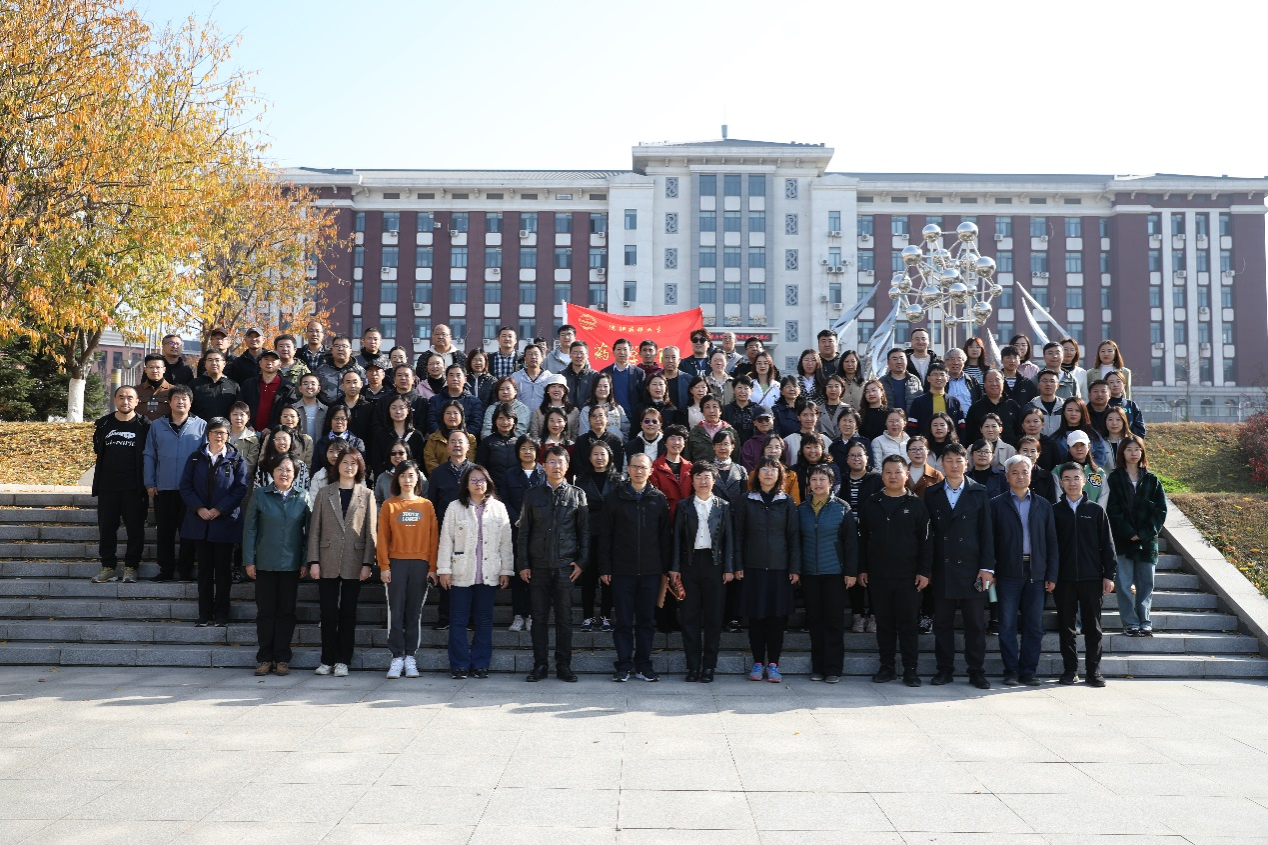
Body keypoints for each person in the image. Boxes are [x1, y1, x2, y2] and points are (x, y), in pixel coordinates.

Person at [924, 444, 995, 689]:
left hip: (972, 568)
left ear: (966, 463)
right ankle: (944, 669)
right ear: (942, 463)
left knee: (975, 624)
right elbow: (928, 535)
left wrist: (987, 567)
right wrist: (927, 568)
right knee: (942, 623)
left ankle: (976, 671)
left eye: (958, 460)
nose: (954, 465)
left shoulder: (979, 491)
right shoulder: (932, 493)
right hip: (942, 567)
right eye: (949, 460)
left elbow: (987, 532)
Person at [857, 454, 931, 687]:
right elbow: (862, 539)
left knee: (908, 625)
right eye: (888, 472)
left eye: (897, 472)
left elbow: (926, 541)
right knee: (884, 624)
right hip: (878, 575)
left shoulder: (916, 505)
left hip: (908, 577)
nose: (892, 476)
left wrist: (924, 571)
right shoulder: (872, 503)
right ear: (882, 476)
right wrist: (862, 569)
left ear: (906, 475)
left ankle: (910, 669)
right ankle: (886, 667)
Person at [518, 445, 590, 682]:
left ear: (567, 466)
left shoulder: (577, 494)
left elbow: (584, 533)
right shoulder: (532, 494)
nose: (556, 466)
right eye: (551, 461)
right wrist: (523, 563)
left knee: (564, 619)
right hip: (538, 566)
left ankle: (563, 666)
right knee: (539, 619)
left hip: (565, 567)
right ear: (543, 466)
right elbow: (524, 532)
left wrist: (581, 562)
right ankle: (540, 665)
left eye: (560, 462)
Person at [435, 464, 513, 679]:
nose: (478, 484)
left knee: (484, 620)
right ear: (466, 485)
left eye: (482, 480)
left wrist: (506, 569)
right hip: (460, 572)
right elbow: (446, 540)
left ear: (488, 483)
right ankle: (459, 664)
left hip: (489, 572)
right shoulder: (454, 507)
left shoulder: (499, 508)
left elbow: (506, 543)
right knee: (458, 620)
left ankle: (480, 664)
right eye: (474, 480)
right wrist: (444, 570)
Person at [307, 447, 376, 676]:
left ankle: (343, 660)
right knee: (327, 613)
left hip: (355, 560)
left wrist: (367, 563)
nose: (348, 467)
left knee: (348, 612)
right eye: (345, 462)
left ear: (359, 467)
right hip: (326, 559)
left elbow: (370, 532)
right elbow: (314, 530)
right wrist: (314, 561)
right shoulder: (324, 492)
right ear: (337, 466)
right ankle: (326, 659)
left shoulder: (367, 494)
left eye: (353, 463)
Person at [991, 454, 1059, 685]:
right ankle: (1010, 670)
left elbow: (1052, 542)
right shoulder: (996, 504)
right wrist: (992, 570)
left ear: (1031, 475)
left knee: (1034, 625)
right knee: (1007, 624)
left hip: (1036, 573)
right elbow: (990, 542)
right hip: (1008, 572)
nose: (1020, 476)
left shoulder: (1043, 505)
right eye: (1015, 472)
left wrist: (1051, 574)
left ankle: (1028, 670)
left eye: (1025, 472)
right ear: (1007, 476)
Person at [735, 457, 801, 683]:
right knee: (756, 618)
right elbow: (738, 535)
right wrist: (738, 565)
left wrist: (794, 567)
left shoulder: (787, 501)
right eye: (764, 469)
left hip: (779, 569)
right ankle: (757, 663)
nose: (768, 473)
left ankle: (773, 663)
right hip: (752, 568)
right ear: (757, 474)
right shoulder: (745, 500)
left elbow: (793, 536)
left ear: (780, 474)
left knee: (776, 619)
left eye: (773, 469)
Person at [242, 455, 309, 676]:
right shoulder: (260, 494)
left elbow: (309, 533)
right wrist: (249, 560)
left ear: (295, 474)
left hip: (291, 564)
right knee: (265, 612)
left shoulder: (303, 496)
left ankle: (282, 658)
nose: (284, 473)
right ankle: (264, 658)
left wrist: (305, 561)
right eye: (279, 469)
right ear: (272, 472)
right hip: (265, 562)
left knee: (286, 612)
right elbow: (250, 529)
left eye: (288, 470)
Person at [670, 462, 735, 682]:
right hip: (689, 564)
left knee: (713, 618)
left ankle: (708, 667)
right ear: (692, 480)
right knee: (689, 617)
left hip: (714, 564)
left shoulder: (723, 506)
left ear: (714, 480)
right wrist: (675, 568)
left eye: (707, 477)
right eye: (698, 477)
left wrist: (729, 568)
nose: (703, 481)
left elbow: (729, 539)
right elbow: (677, 539)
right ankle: (692, 667)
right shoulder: (684, 506)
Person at [180, 417, 248, 627]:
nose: (219, 436)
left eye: (223, 432)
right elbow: (186, 486)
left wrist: (219, 509)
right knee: (204, 570)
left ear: (228, 435)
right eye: (215, 432)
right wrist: (199, 508)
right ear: (207, 434)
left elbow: (240, 488)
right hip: (200, 522)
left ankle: (222, 614)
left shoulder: (236, 459)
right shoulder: (195, 458)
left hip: (225, 522)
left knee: (223, 570)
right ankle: (204, 613)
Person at [1053, 462, 1117, 687]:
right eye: (1067, 479)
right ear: (1061, 483)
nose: (1072, 483)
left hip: (1092, 577)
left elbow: (1107, 546)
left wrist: (1109, 575)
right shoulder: (1054, 511)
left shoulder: (1096, 511)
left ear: (1084, 481)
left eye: (1076, 478)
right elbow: (1050, 547)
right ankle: (1070, 670)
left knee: (1093, 627)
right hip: (1063, 579)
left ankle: (1093, 671)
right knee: (1066, 627)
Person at [378, 461, 439, 679]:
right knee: (396, 611)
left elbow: (434, 539)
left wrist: (432, 567)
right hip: (396, 563)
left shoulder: (426, 505)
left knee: (414, 612)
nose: (407, 480)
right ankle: (396, 656)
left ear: (418, 479)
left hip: (420, 564)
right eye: (403, 475)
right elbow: (382, 538)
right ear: (397, 479)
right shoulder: (389, 505)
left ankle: (410, 656)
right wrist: (384, 566)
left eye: (411, 475)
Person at [798, 465, 859, 683]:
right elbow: (796, 541)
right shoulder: (801, 509)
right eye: (814, 479)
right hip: (809, 573)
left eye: (822, 479)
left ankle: (833, 668)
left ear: (831, 483)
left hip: (835, 573)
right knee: (815, 621)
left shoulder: (842, 508)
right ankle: (817, 667)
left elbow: (851, 543)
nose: (818, 483)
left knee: (833, 621)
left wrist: (851, 571)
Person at [144, 384, 207, 582]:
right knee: (165, 531)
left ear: (190, 403)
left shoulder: (201, 425)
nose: (180, 402)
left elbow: (206, 458)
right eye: (176, 398)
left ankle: (185, 570)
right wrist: (150, 482)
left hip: (191, 490)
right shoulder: (157, 425)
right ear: (169, 402)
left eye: (184, 398)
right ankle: (166, 570)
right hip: (164, 488)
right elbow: (150, 454)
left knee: (188, 532)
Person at [1107, 436, 1167, 637]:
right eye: (1129, 449)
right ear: (1122, 452)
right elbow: (1112, 509)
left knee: (1146, 583)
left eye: (1137, 449)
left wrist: (1143, 533)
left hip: (1147, 541)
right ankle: (1130, 622)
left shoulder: (1152, 479)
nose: (1134, 453)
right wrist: (1129, 532)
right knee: (1123, 584)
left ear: (1142, 452)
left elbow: (1160, 510)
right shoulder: (1114, 478)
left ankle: (1144, 621)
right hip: (1122, 540)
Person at [91, 385, 150, 584]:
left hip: (135, 487)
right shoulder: (104, 424)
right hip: (108, 487)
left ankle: (131, 567)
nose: (126, 401)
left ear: (137, 401)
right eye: (121, 397)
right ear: (115, 400)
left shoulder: (145, 425)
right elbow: (98, 450)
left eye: (130, 398)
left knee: (135, 529)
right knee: (107, 529)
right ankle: (108, 567)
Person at [575, 440, 618, 632]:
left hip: (611, 534)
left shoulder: (618, 480)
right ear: (589, 457)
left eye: (603, 454)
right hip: (589, 533)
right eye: (595, 454)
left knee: (608, 577)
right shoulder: (581, 481)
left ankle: (606, 616)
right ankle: (588, 616)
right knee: (589, 577)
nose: (599, 458)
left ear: (609, 457)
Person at [503, 435, 544, 632]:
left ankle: (533, 615)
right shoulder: (510, 474)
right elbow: (504, 499)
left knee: (536, 575)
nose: (527, 452)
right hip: (516, 530)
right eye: (523, 448)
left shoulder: (543, 473)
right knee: (520, 574)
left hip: (539, 532)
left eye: (531, 448)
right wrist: (516, 519)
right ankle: (519, 615)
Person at [840, 441, 882, 633]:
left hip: (871, 534)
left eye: (860, 455)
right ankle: (857, 614)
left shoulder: (877, 479)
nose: (856, 459)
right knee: (853, 573)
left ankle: (874, 615)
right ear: (847, 459)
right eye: (852, 455)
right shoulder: (842, 480)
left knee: (872, 574)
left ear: (867, 458)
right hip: (848, 535)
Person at [241, 349, 298, 433]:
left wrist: (272, 428)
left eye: (273, 360)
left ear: (279, 364)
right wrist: (248, 425)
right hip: (249, 432)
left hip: (276, 433)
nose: (269, 363)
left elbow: (289, 411)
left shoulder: (287, 387)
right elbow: (240, 406)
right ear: (260, 363)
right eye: (266, 359)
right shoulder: (249, 384)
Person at [906, 363, 964, 441]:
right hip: (925, 445)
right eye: (935, 374)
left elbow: (961, 428)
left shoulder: (955, 402)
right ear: (928, 378)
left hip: (950, 445)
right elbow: (912, 427)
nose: (938, 378)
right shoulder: (918, 402)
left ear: (947, 378)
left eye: (942, 375)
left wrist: (959, 444)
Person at [372, 396, 426, 476]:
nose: (398, 411)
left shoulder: (416, 435)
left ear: (408, 410)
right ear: (389, 411)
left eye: (401, 408)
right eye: (394, 408)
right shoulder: (381, 435)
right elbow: (376, 462)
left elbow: (420, 462)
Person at [965, 370, 1021, 447]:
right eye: (990, 381)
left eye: (997, 380)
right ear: (984, 384)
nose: (994, 384)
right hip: (982, 452)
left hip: (1009, 451)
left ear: (1003, 382)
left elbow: (1019, 432)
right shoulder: (975, 408)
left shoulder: (1013, 406)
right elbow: (969, 435)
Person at [650, 424, 694, 520]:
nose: (676, 442)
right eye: (672, 438)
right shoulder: (655, 467)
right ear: (665, 442)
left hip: (687, 518)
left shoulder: (690, 467)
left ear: (684, 443)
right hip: (664, 517)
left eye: (680, 439)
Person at [1053, 398, 1111, 468]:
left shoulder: (1094, 436)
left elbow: (1100, 459)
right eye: (1069, 410)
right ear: (1064, 412)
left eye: (1078, 410)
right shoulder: (1056, 438)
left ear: (1083, 412)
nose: (1073, 414)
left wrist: (1087, 470)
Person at [600, 337, 647, 423]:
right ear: (613, 352)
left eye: (625, 349)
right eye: (618, 349)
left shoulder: (639, 373)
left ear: (630, 353)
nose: (622, 352)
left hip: (632, 417)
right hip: (610, 418)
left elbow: (643, 397)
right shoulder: (605, 372)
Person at [427, 364, 482, 436]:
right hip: (439, 440)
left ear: (465, 379)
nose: (455, 379)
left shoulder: (475, 402)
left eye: (458, 375)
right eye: (451, 375)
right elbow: (431, 423)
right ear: (446, 379)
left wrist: (459, 438)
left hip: (465, 440)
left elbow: (475, 425)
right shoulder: (435, 400)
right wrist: (443, 438)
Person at [423, 401, 476, 476]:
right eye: (448, 413)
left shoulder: (470, 439)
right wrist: (444, 476)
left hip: (464, 478)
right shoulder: (433, 438)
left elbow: (470, 460)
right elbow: (430, 461)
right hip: (439, 478)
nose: (452, 416)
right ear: (443, 416)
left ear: (462, 416)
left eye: (455, 413)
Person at [254, 426, 311, 492]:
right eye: (278, 439)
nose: (281, 442)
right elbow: (257, 492)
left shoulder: (301, 466)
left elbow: (305, 492)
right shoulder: (263, 466)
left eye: (285, 439)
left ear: (291, 441)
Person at [315, 335, 366, 407]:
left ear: (350, 351)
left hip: (351, 409)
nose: (340, 349)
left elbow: (365, 392)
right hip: (326, 410)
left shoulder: (359, 371)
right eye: (337, 346)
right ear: (332, 350)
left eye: (344, 346)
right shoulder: (321, 370)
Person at [189, 350, 240, 421]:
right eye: (210, 360)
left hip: (226, 427)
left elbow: (238, 409)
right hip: (201, 427)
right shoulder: (194, 385)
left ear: (224, 363)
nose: (214, 363)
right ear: (205, 363)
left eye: (217, 360)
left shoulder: (233, 385)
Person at [578, 372, 629, 441]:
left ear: (610, 388)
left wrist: (622, 442)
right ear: (594, 388)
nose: (602, 389)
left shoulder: (617, 408)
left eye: (605, 386)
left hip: (616, 446)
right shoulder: (587, 409)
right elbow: (584, 434)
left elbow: (626, 430)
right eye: (598, 386)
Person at [686, 395, 736, 463]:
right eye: (707, 407)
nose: (711, 411)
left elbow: (737, 458)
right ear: (702, 411)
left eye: (715, 407)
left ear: (721, 410)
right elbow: (687, 460)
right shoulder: (694, 433)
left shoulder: (730, 431)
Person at [880, 347, 924, 413]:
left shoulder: (915, 380)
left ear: (906, 361)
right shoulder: (882, 382)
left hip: (911, 418)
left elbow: (921, 403)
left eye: (901, 358)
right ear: (888, 362)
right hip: (888, 418)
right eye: (895, 359)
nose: (899, 362)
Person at [829, 408, 873, 473]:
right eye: (844, 420)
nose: (847, 424)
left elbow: (870, 465)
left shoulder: (864, 443)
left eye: (850, 421)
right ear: (839, 423)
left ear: (857, 425)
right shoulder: (834, 445)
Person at [1018, 435, 1059, 503]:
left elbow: (1051, 502)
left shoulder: (1047, 476)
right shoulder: (1011, 474)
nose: (1029, 454)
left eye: (1033, 451)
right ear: (1017, 453)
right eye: (1025, 450)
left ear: (1038, 454)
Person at [1105, 370, 1145, 437]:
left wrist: (1131, 440)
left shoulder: (1131, 405)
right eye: (1111, 382)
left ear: (1124, 385)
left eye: (1118, 381)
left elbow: (1140, 429)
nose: (1115, 385)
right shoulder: (1103, 405)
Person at [135, 354, 174, 421]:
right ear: (145, 369)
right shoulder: (136, 391)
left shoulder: (173, 391)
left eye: (158, 367)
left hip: (164, 427)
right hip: (141, 427)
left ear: (164, 369)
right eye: (151, 367)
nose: (154, 371)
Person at [722, 375, 758, 445]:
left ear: (752, 390)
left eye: (746, 388)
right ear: (733, 390)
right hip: (731, 447)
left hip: (752, 448)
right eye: (739, 387)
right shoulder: (726, 410)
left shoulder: (757, 409)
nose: (742, 391)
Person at [815, 374, 852, 442]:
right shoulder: (818, 410)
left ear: (842, 389)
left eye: (836, 386)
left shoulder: (848, 409)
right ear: (825, 389)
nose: (833, 389)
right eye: (830, 386)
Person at [660, 345, 693, 410]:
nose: (670, 360)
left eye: (673, 357)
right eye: (667, 357)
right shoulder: (655, 378)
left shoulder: (688, 380)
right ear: (662, 359)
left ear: (679, 360)